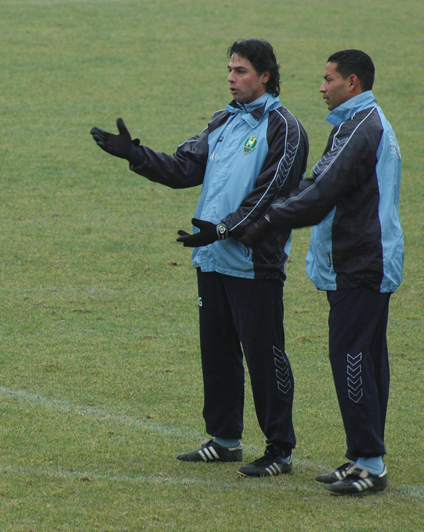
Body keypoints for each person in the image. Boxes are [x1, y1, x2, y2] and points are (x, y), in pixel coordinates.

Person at [90, 39, 309, 478]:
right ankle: (225, 439)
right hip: (211, 256)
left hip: (254, 259)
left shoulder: (285, 128)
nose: (231, 78)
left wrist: (226, 228)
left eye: (241, 71)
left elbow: (272, 192)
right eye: (229, 70)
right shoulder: (222, 121)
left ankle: (280, 449)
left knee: (265, 355)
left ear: (265, 75)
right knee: (218, 352)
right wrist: (135, 154)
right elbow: (183, 169)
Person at [240, 49, 404, 494]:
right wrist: (275, 210)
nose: (321, 86)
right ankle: (362, 456)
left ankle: (369, 462)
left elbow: (322, 192)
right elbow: (319, 183)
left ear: (352, 83)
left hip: (361, 264)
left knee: (351, 357)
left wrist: (267, 222)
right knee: (367, 359)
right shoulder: (362, 125)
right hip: (368, 261)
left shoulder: (360, 129)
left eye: (329, 79)